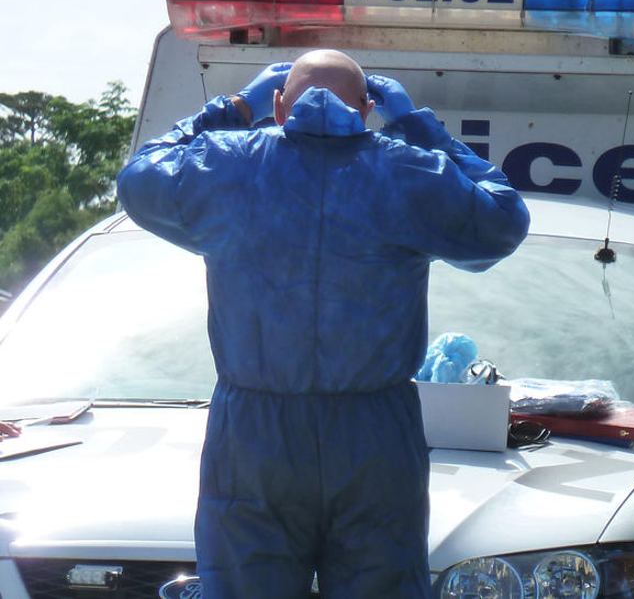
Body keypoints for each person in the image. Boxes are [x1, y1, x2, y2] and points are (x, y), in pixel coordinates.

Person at [117, 50, 529, 599]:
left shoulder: (226, 166)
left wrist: (235, 107)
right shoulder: (407, 170)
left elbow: (140, 176)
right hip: (375, 434)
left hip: (253, 437)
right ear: (367, 110)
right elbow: (503, 219)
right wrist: (418, 127)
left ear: (279, 106)